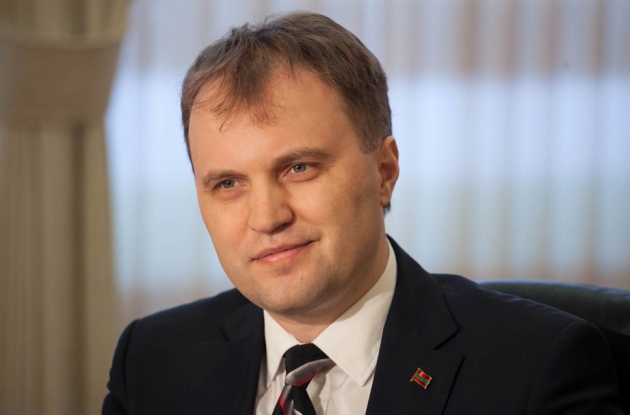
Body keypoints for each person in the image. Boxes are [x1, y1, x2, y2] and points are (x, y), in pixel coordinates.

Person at [102, 12, 622, 415]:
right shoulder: (151, 360)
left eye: (299, 168)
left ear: (384, 171)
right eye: (228, 183)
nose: (266, 217)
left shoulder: (536, 367)